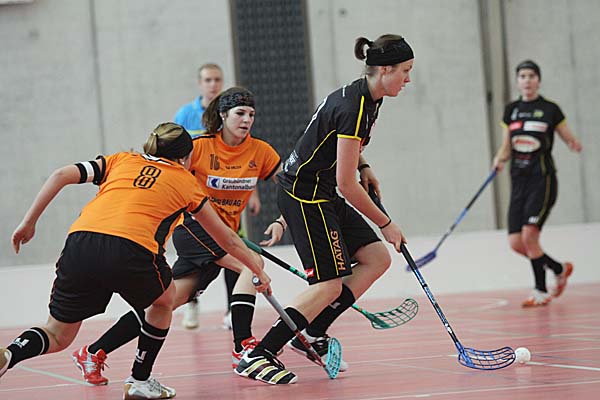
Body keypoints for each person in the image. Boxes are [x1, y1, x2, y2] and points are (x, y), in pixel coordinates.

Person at [0, 122, 269, 400]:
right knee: (164, 302)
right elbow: (228, 239)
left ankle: (10, 353)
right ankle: (140, 380)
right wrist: (256, 268)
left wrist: (28, 223)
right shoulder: (187, 182)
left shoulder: (120, 160)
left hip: (80, 242)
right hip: (132, 246)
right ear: (185, 157)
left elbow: (60, 175)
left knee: (57, 335)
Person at [71, 87, 284, 385]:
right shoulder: (199, 147)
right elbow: (163, 168)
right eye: (240, 113)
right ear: (223, 115)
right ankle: (243, 347)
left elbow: (290, 187)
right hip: (192, 228)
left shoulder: (261, 151)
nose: (247, 120)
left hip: (223, 235)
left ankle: (93, 351)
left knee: (165, 303)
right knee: (252, 265)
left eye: (251, 114)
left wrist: (282, 220)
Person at [235, 34, 412, 384]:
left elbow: (337, 144)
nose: (408, 79)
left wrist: (364, 165)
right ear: (384, 70)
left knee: (376, 258)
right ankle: (259, 354)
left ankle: (313, 332)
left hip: (323, 191)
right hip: (306, 196)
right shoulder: (354, 107)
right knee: (328, 285)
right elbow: (347, 185)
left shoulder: (368, 98)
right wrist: (386, 223)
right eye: (405, 71)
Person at [174, 63, 261, 330]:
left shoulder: (239, 117)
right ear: (200, 83)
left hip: (229, 201)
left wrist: (253, 193)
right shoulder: (186, 115)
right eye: (208, 80)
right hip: (197, 207)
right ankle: (190, 302)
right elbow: (176, 158)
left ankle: (232, 310)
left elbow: (246, 160)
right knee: (212, 259)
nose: (213, 84)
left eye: (217, 80)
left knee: (236, 254)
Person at [493, 60, 582, 308]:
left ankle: (541, 291)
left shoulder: (550, 109)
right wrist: (499, 159)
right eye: (522, 76)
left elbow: (567, 136)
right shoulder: (511, 110)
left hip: (542, 179)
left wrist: (573, 143)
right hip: (518, 180)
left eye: (531, 76)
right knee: (516, 243)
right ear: (517, 81)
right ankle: (559, 268)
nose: (527, 80)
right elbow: (506, 145)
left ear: (538, 80)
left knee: (529, 236)